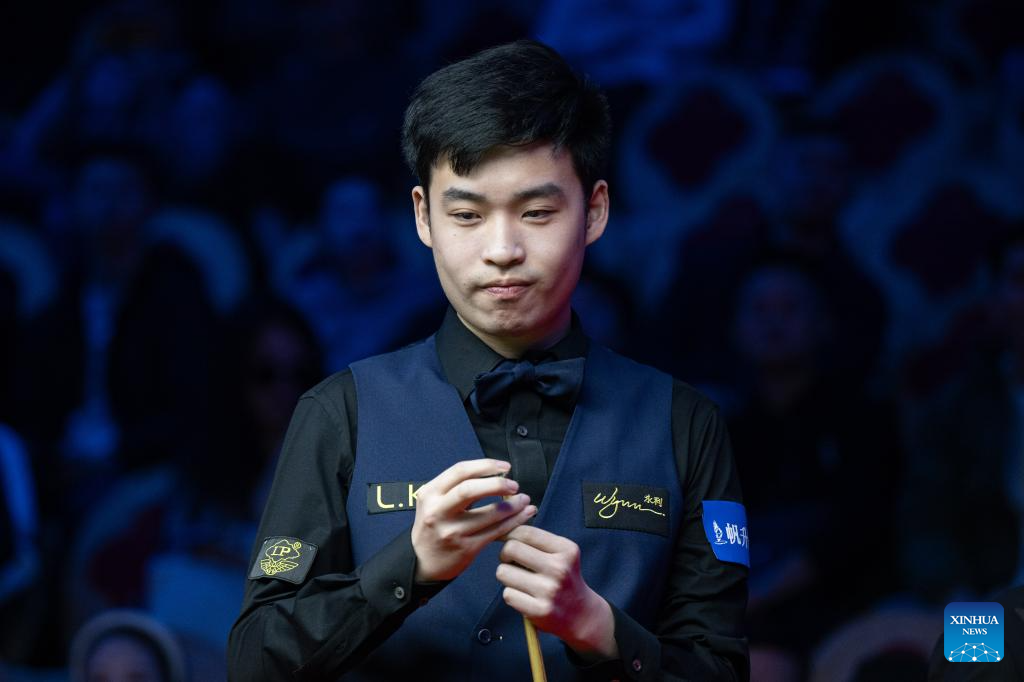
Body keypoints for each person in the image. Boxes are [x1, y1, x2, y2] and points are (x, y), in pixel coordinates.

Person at [228, 40, 748, 681]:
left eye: (537, 212)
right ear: (424, 218)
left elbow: (723, 669)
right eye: (468, 214)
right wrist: (409, 566)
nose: (502, 249)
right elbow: (254, 660)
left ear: (594, 212)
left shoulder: (684, 423)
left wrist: (603, 630)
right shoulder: (341, 413)